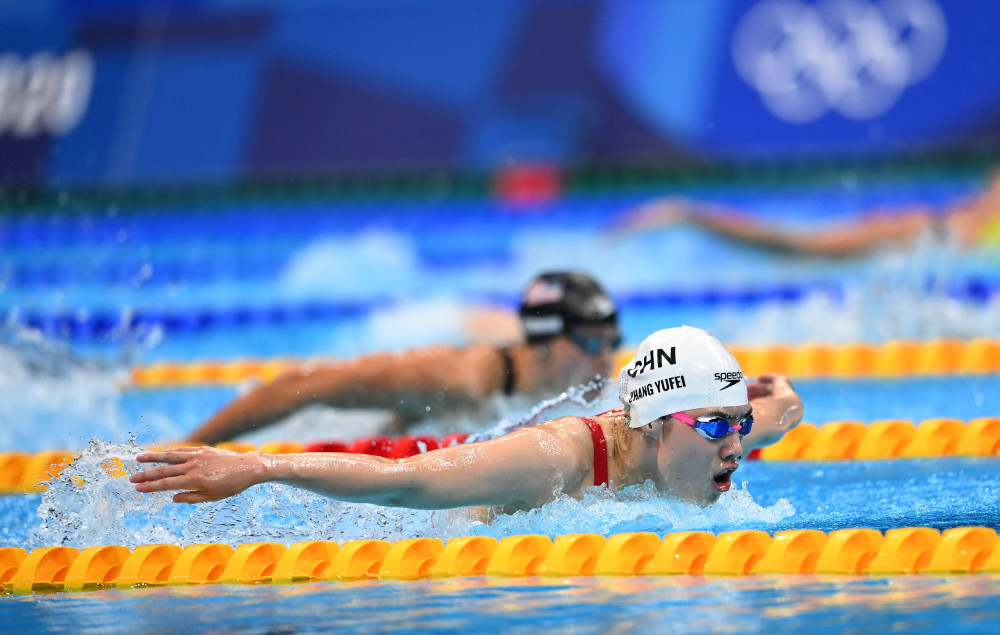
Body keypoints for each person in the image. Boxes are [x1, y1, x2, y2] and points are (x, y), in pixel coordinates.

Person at [132, 326, 803, 510]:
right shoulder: (556, 458)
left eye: (739, 424)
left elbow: (785, 409)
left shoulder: (717, 432)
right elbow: (410, 482)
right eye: (715, 426)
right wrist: (256, 466)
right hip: (440, 494)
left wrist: (773, 396)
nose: (736, 444)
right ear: (654, 422)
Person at [184, 271, 622, 444]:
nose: (605, 359)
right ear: (543, 342)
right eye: (590, 344)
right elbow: (300, 385)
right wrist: (190, 445)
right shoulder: (459, 379)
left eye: (611, 342)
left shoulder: (560, 373)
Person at [617, 170, 1000, 258]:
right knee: (800, 245)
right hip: (924, 231)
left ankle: (688, 212)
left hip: (935, 231)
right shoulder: (940, 226)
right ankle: (687, 212)